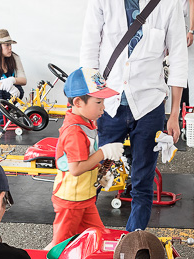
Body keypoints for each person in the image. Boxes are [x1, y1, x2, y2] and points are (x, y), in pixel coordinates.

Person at [80, 0, 188, 232]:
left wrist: (175, 113)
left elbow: (178, 57)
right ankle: (85, 237)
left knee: (142, 180)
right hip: (109, 104)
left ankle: (132, 241)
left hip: (149, 105)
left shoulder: (169, 4)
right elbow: (89, 51)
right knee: (98, 174)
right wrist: (92, 104)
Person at [47, 67, 124, 249]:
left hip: (83, 198)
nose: (103, 107)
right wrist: (104, 153)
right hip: (71, 202)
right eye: (98, 102)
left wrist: (101, 171)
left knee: (98, 239)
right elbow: (75, 169)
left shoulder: (85, 123)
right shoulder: (74, 130)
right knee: (59, 247)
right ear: (78, 102)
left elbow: (87, 159)